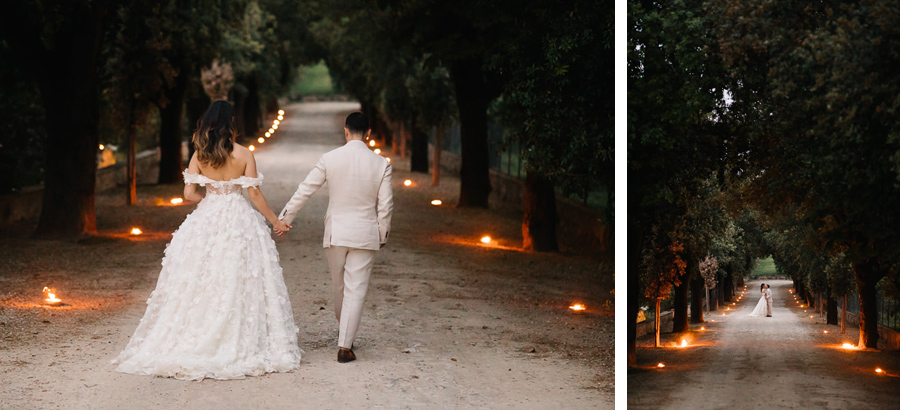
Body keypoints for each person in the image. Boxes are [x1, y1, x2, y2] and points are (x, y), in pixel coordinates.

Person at [112, 101, 301, 380]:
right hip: (238, 218)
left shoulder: (200, 154)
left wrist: (210, 200)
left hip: (208, 216)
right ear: (231, 123)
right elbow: (254, 195)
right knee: (238, 274)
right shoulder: (244, 154)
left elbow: (188, 194)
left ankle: (196, 331)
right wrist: (276, 222)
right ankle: (235, 334)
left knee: (201, 276)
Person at [278, 111, 393, 363]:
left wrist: (285, 218)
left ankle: (345, 340)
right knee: (356, 288)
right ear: (369, 133)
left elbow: (305, 189)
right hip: (365, 233)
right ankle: (345, 342)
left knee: (340, 286)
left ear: (345, 130)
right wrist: (382, 233)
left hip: (337, 233)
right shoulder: (381, 164)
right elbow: (386, 206)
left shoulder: (330, 159)